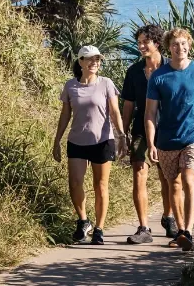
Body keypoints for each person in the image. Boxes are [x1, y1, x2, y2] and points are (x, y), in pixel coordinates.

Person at [144, 28, 194, 252]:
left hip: (193, 136)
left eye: (184, 43)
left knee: (188, 179)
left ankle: (188, 232)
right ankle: (180, 230)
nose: (180, 48)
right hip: (166, 139)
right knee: (173, 185)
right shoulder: (159, 76)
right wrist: (151, 143)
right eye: (175, 44)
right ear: (169, 47)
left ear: (189, 45)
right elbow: (149, 113)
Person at [52, 45, 126, 245]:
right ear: (81, 62)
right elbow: (65, 115)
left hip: (102, 141)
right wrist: (57, 140)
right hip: (77, 140)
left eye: (98, 60)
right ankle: (83, 221)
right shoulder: (70, 86)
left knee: (100, 185)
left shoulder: (106, 83)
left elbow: (115, 112)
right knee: (74, 183)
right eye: (90, 59)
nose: (95, 63)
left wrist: (121, 136)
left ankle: (99, 229)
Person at [120, 24, 175, 244]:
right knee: (139, 173)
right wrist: (122, 134)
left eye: (145, 42)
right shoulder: (134, 71)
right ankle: (143, 228)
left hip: (167, 129)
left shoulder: (171, 68)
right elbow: (128, 105)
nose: (141, 46)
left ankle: (168, 217)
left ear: (157, 43)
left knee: (168, 177)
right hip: (141, 129)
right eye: (139, 42)